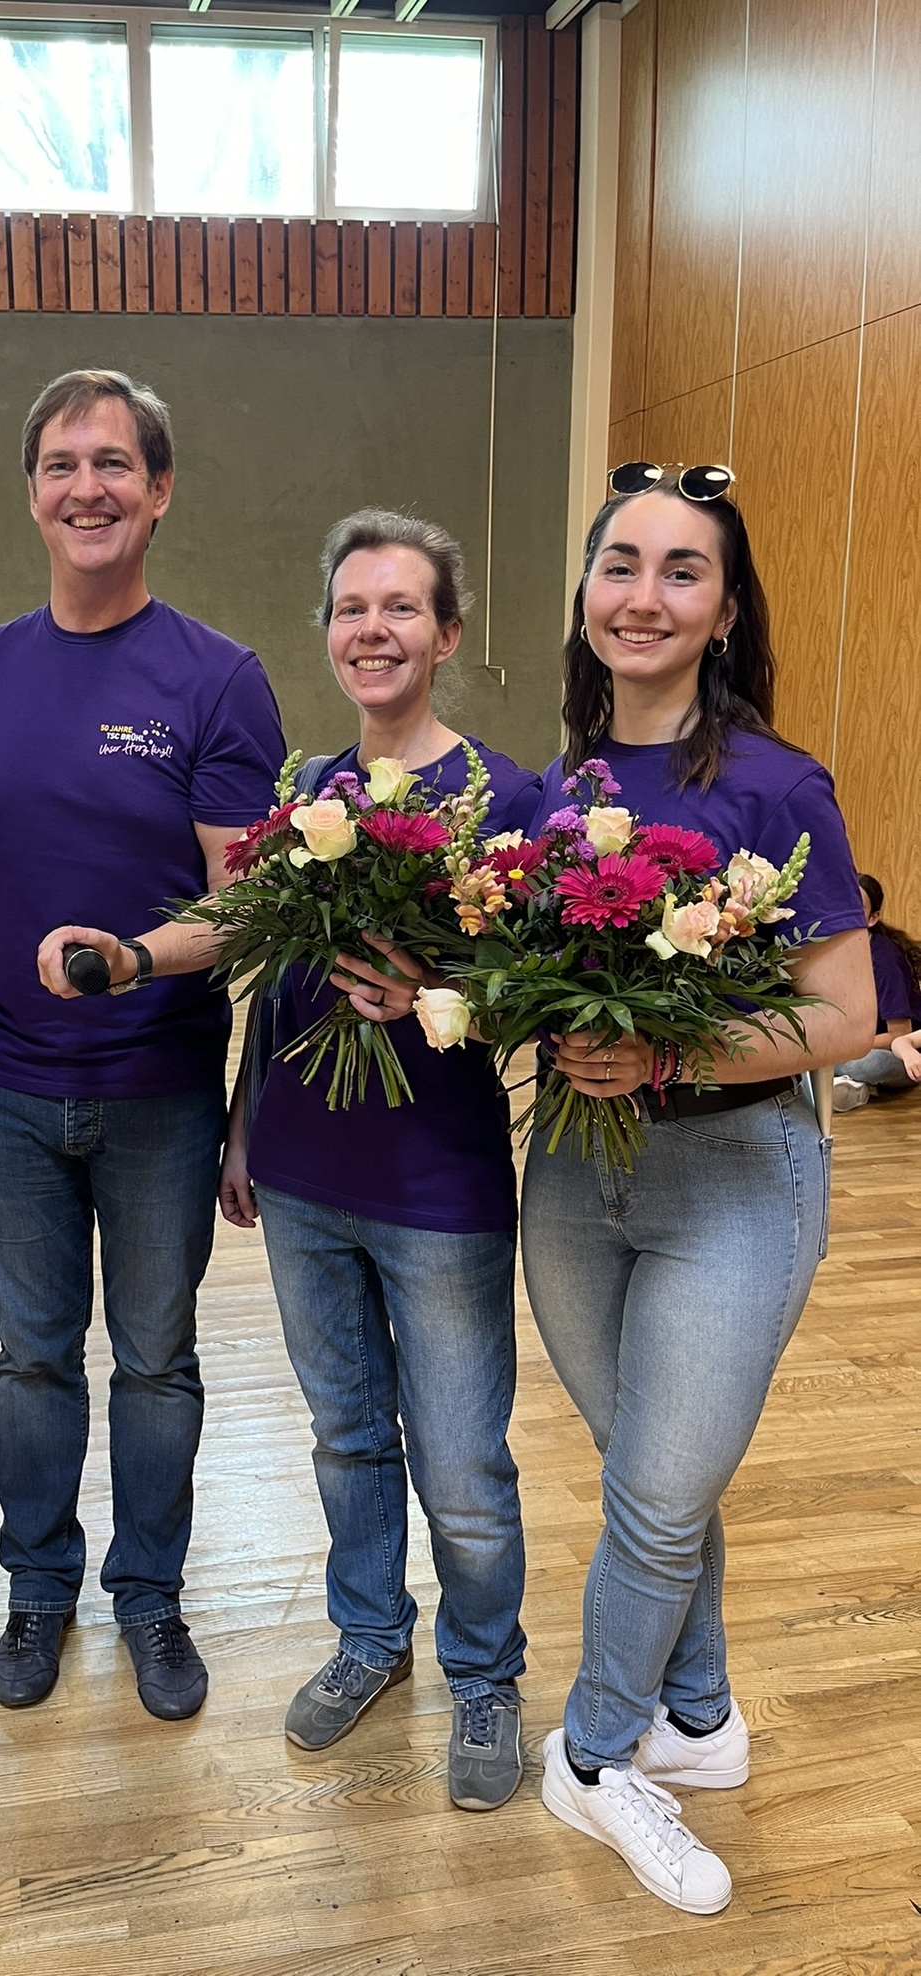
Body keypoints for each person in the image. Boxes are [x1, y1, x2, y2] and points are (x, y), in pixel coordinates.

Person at [520, 465, 874, 1914]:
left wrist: (665, 1052)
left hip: (734, 1172)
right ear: (590, 592)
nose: (643, 595)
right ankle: (703, 1716)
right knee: (651, 1475)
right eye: (621, 565)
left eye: (681, 572)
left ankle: (595, 1756)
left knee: (659, 1498)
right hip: (569, 1174)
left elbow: (848, 1015)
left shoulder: (780, 785)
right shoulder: (562, 786)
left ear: (723, 613)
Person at [0, 371, 285, 1721]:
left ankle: (150, 1596)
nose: (89, 486)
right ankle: (37, 1587)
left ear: (160, 489)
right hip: (12, 1088)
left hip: (158, 1091)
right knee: (31, 1358)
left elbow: (244, 903)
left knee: (153, 1361)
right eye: (63, 463)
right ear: (32, 494)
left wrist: (135, 958)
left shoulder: (217, 680)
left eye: (115, 463)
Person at [212, 511, 540, 1807]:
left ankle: (485, 1676)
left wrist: (436, 988)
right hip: (299, 1178)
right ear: (329, 633)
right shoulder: (308, 793)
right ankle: (367, 1642)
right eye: (351, 608)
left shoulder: (503, 800)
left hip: (438, 1191)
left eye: (399, 607)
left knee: (459, 1462)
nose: (372, 629)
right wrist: (243, 1123)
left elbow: (540, 996)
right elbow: (268, 973)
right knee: (347, 1437)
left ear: (445, 634)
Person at [830, 874, 921, 1109]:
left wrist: (843, 1048)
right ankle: (848, 1086)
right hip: (854, 1045)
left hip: (901, 1052)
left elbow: (899, 1034)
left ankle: (845, 1080)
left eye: (856, 908)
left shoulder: (884, 958)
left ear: (872, 918)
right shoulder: (831, 952)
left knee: (860, 1064)